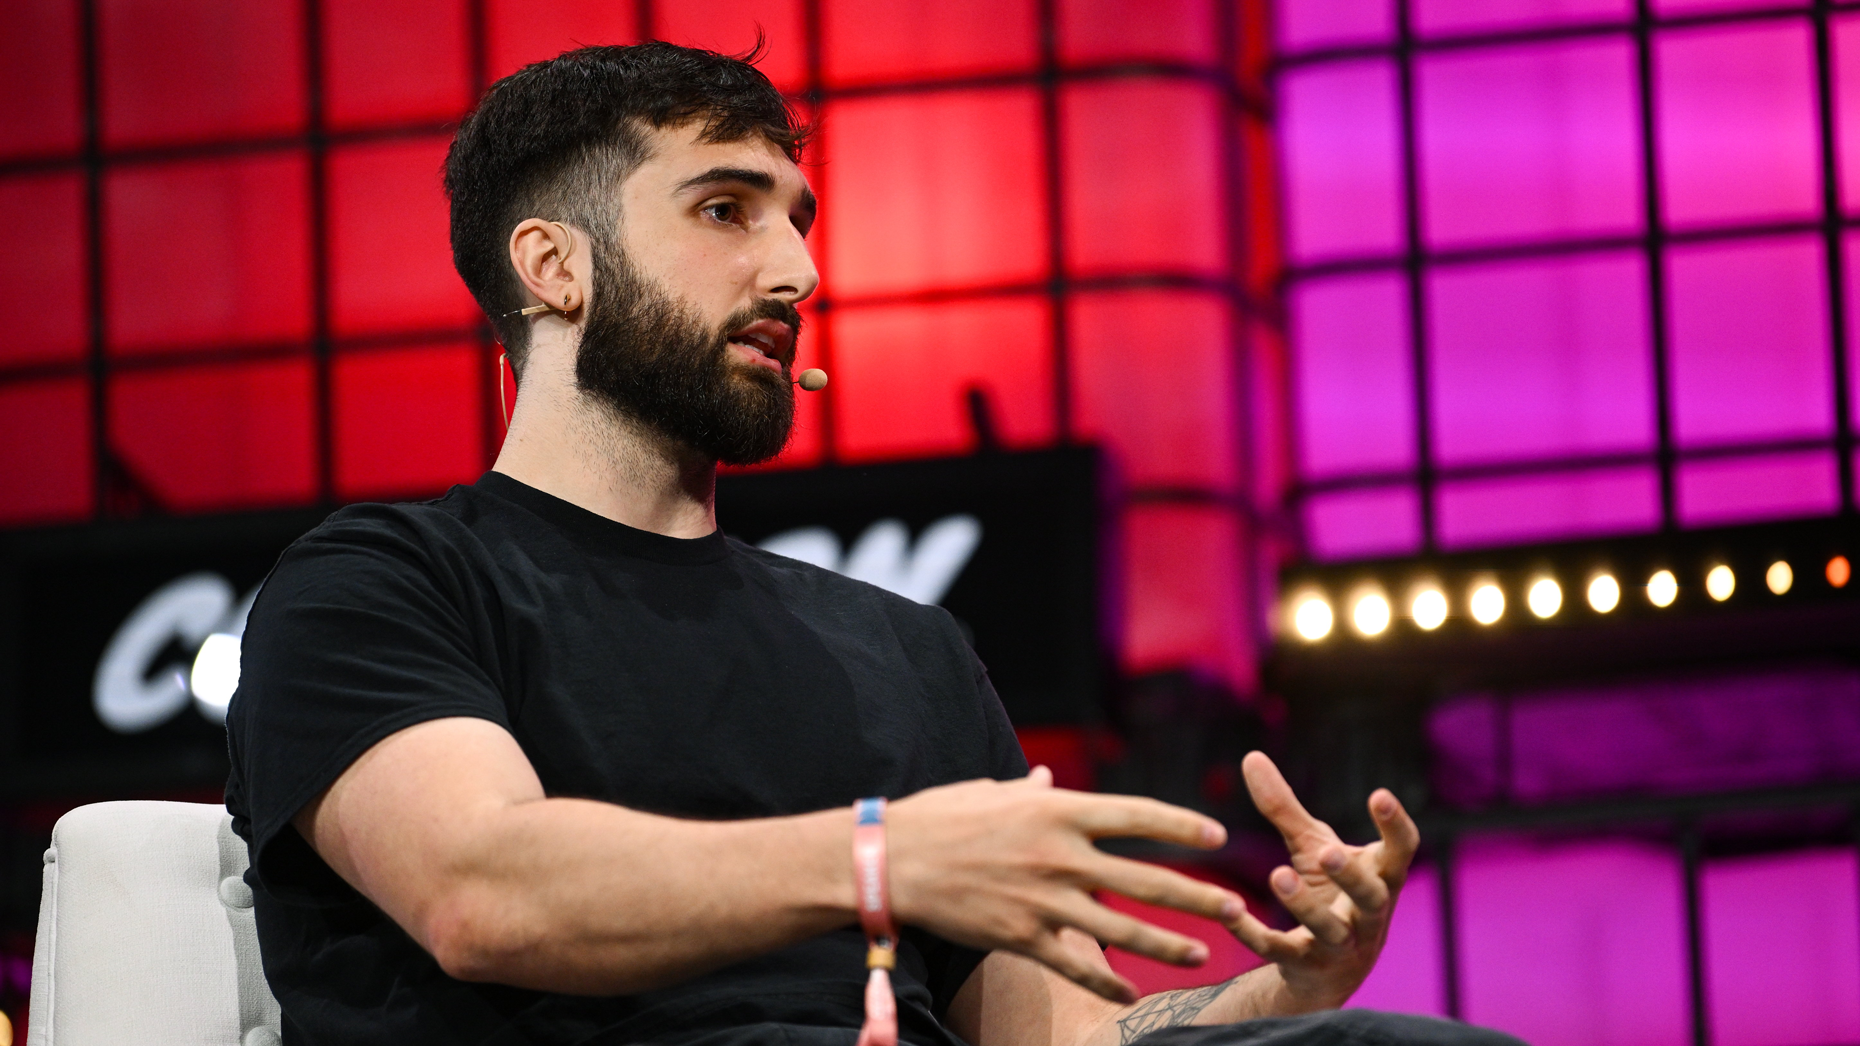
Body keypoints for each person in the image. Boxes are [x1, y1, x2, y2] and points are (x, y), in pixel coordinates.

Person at [225, 41, 1520, 1046]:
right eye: (727, 211)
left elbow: (1062, 1036)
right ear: (554, 266)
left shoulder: (903, 646)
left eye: (799, 219)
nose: (795, 270)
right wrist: (882, 855)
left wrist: (1277, 994)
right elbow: (480, 889)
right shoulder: (380, 582)